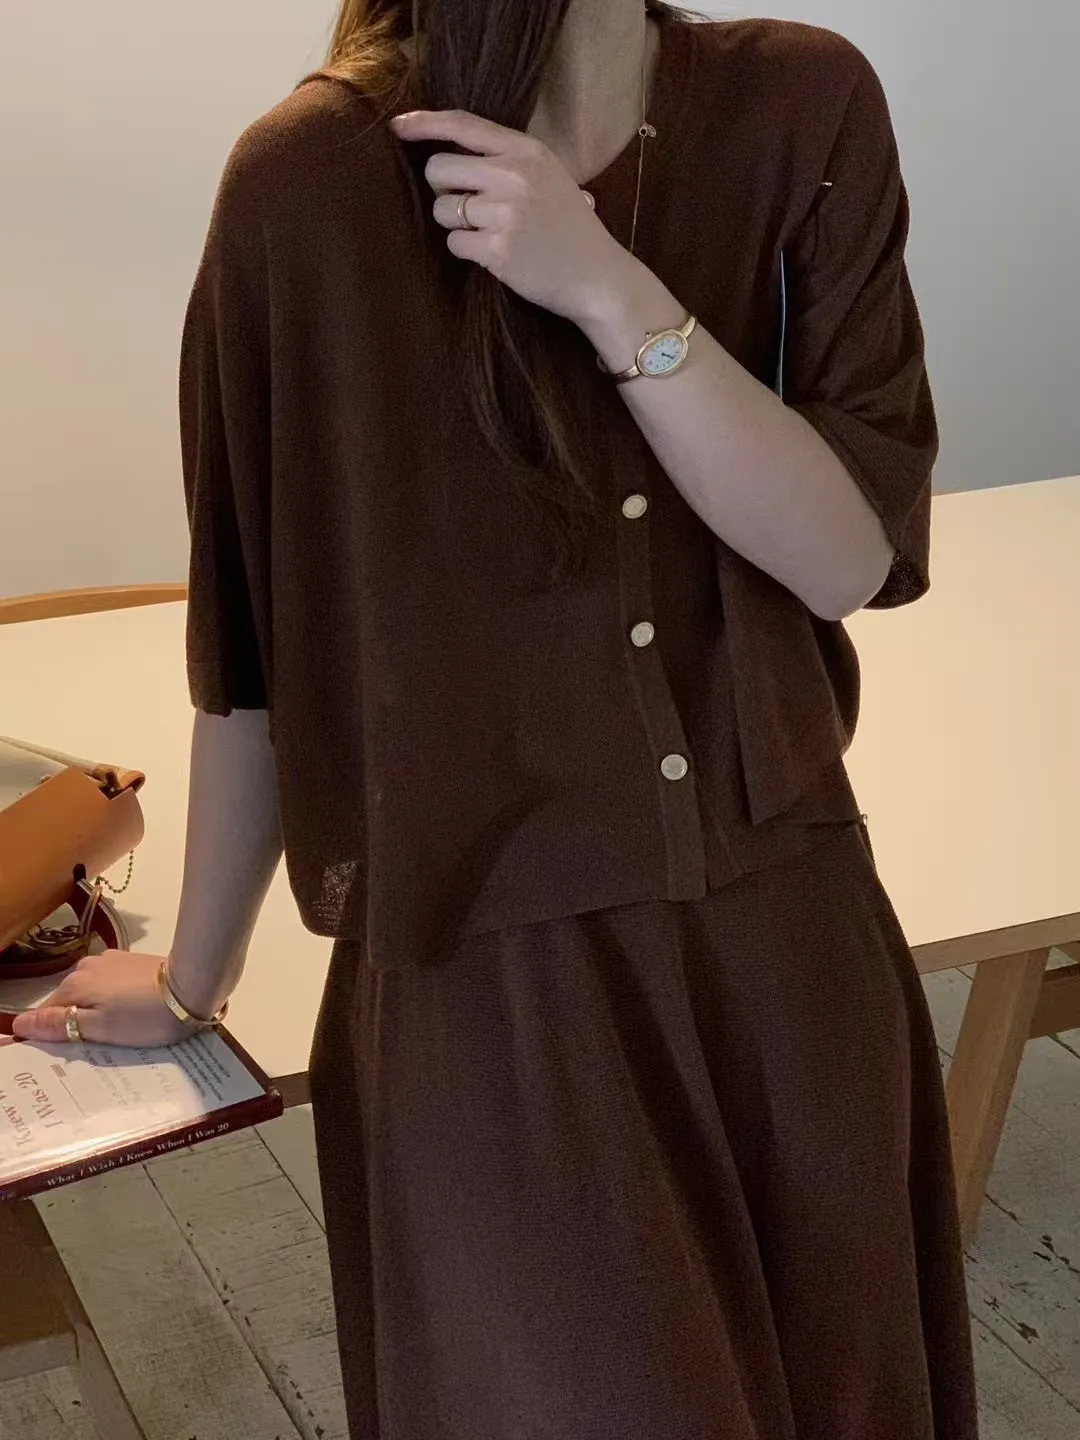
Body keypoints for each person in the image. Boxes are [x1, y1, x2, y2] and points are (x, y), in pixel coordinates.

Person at [11, 2, 980, 1436]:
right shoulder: (309, 183)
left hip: (794, 946)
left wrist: (611, 291)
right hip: (489, 988)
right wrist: (197, 977)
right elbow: (263, 647)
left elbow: (846, 558)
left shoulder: (803, 104)